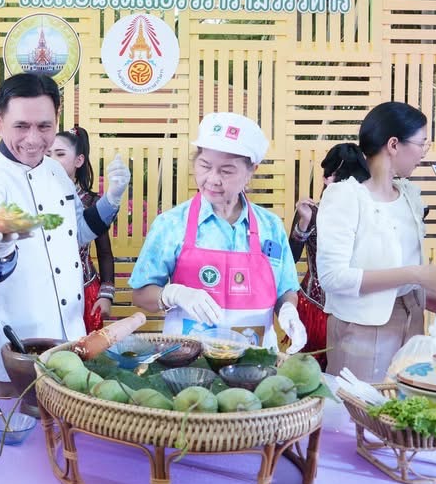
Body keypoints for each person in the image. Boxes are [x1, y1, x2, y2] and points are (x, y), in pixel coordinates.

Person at [0, 73, 129, 388]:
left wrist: (112, 198)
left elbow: (78, 233)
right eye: (21, 126)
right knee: (15, 417)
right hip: (14, 342)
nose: (33, 139)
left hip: (68, 329)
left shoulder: (55, 171)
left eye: (44, 126)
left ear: (57, 119)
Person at [315, 101, 436, 380]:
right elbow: (333, 277)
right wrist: (417, 274)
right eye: (422, 143)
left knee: (404, 400)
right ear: (394, 145)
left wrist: (424, 295)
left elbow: (396, 264)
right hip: (361, 328)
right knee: (361, 404)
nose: (423, 152)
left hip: (411, 319)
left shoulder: (409, 194)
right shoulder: (345, 196)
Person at [130, 113, 308, 351]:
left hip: (254, 360)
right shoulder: (171, 224)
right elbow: (140, 295)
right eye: (205, 166)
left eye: (226, 171)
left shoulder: (271, 226)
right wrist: (173, 294)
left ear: (251, 171)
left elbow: (285, 289)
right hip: (188, 361)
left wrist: (288, 310)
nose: (212, 179)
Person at [289, 143, 371, 356]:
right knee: (310, 368)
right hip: (316, 308)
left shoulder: (371, 214)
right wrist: (304, 223)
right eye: (342, 179)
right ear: (327, 178)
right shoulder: (311, 211)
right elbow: (290, 258)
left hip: (356, 309)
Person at [52, 126, 116, 332]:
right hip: (46, 292)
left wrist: (106, 295)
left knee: (85, 348)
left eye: (60, 154)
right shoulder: (33, 199)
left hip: (85, 291)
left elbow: (104, 253)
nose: (52, 160)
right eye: (47, 154)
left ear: (78, 160)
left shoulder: (91, 202)